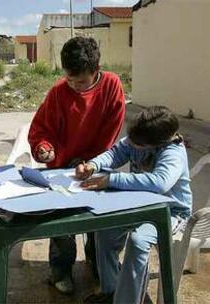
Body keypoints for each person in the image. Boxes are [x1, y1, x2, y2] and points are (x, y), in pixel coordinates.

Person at [28, 36, 126, 294]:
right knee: (62, 222)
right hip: (61, 169)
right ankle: (60, 270)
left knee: (98, 219)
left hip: (96, 162)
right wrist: (44, 150)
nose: (75, 86)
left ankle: (98, 265)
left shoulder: (112, 86)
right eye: (70, 79)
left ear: (96, 70)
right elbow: (40, 131)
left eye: (81, 81)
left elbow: (111, 132)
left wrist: (92, 164)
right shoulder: (59, 92)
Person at [76, 106, 192, 304]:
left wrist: (112, 179)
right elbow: (114, 154)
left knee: (139, 241)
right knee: (105, 230)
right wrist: (93, 165)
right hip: (139, 205)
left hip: (170, 212)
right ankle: (110, 291)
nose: (131, 144)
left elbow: (160, 182)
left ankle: (127, 300)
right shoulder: (138, 140)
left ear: (155, 143)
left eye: (137, 143)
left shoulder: (173, 153)